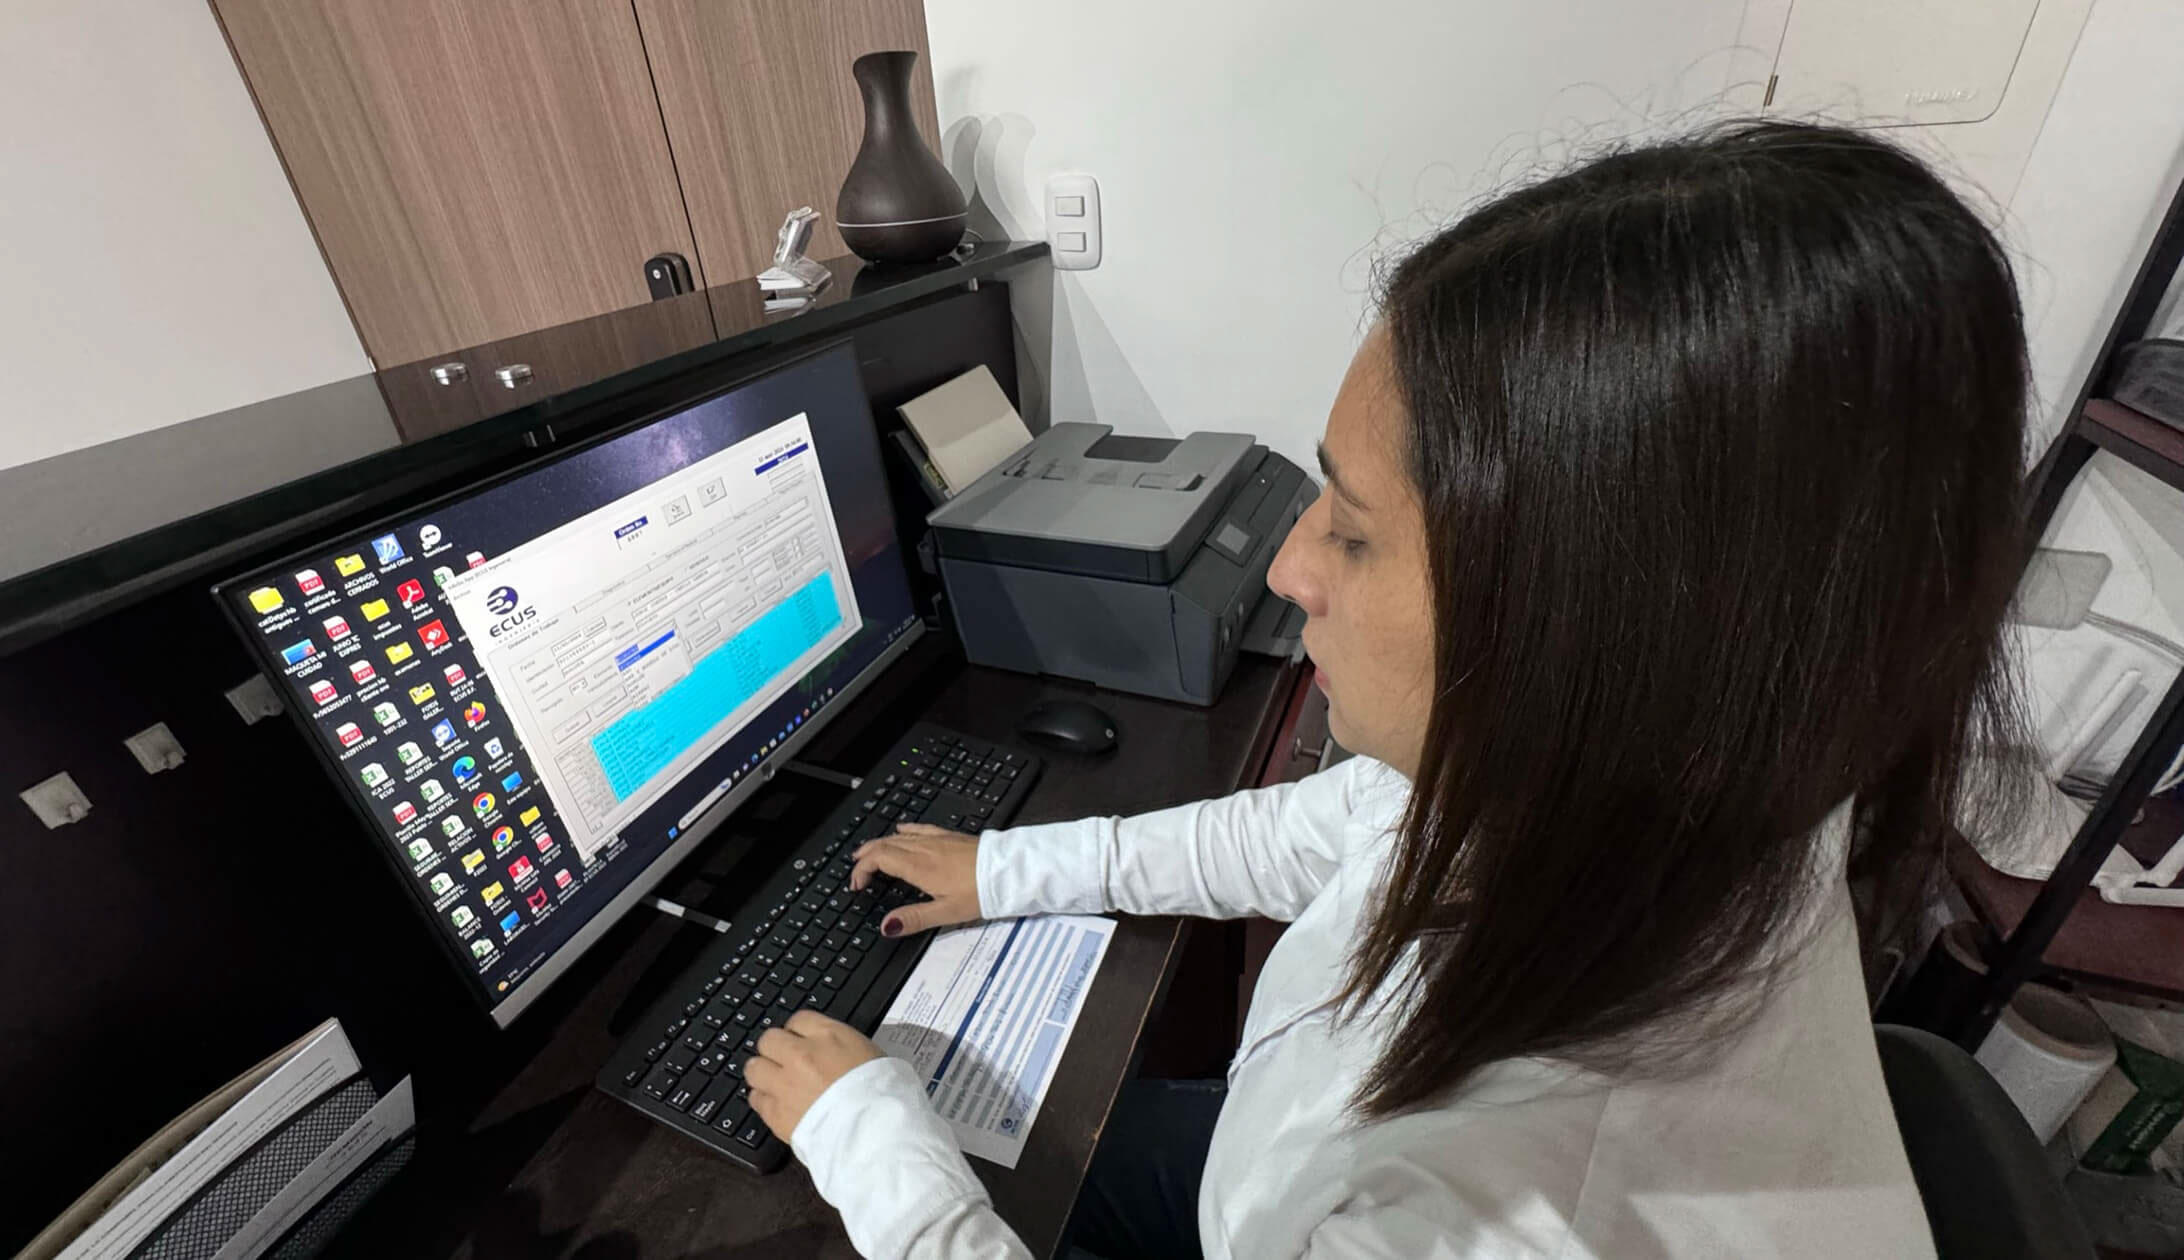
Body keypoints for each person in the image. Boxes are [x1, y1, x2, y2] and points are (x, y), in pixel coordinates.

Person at [743, 119, 2030, 1258]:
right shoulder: (1690, 760)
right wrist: (1014, 869)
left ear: (1593, 622)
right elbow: (1333, 827)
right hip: (1289, 1160)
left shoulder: (1501, 1213)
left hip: (1337, 1186)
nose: (1288, 567)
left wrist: (875, 1154)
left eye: (1352, 532)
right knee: (1031, 1126)